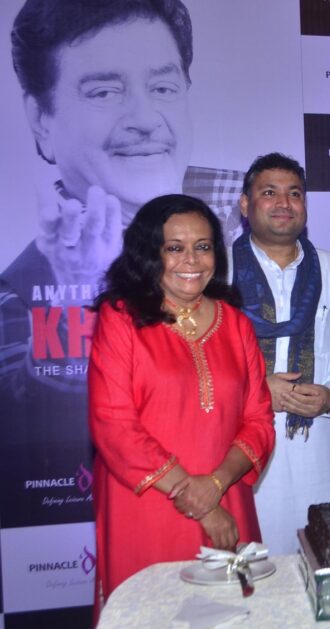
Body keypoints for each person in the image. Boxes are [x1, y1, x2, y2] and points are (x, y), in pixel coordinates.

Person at [0, 0, 243, 449]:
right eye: (104, 92)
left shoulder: (244, 221)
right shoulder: (17, 294)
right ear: (41, 120)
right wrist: (82, 292)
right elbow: (31, 428)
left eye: (164, 88)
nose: (146, 120)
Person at [88, 194, 275, 616]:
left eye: (203, 246)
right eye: (174, 247)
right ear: (149, 253)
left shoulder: (237, 323)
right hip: (148, 504)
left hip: (226, 499)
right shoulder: (120, 318)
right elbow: (114, 425)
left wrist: (215, 488)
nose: (191, 259)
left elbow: (259, 420)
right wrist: (199, 500)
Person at [232, 153, 330, 555]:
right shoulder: (217, 271)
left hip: (322, 451)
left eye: (294, 194)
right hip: (241, 454)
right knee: (252, 575)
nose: (283, 203)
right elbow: (198, 372)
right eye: (269, 193)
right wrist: (257, 391)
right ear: (245, 204)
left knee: (324, 565)